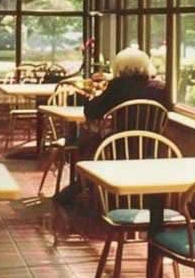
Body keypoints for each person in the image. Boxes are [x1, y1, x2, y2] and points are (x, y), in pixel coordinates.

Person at [51, 47, 170, 209]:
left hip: (118, 143)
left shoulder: (117, 86)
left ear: (119, 66)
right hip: (151, 144)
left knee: (86, 143)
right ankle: (86, 186)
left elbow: (92, 112)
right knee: (90, 141)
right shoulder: (159, 88)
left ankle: (81, 186)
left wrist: (92, 98)